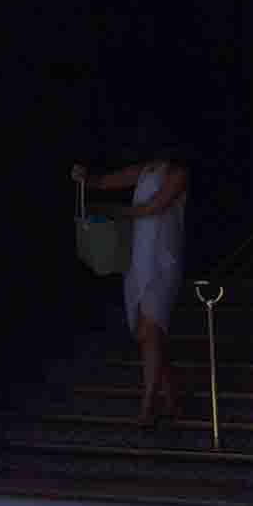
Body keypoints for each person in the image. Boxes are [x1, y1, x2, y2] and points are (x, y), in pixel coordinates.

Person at [77, 149, 190, 425]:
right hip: (139, 259)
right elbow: (103, 182)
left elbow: (154, 206)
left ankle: (148, 404)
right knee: (148, 333)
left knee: (150, 330)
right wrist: (84, 179)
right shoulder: (143, 170)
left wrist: (115, 212)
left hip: (163, 260)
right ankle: (171, 397)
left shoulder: (178, 174)